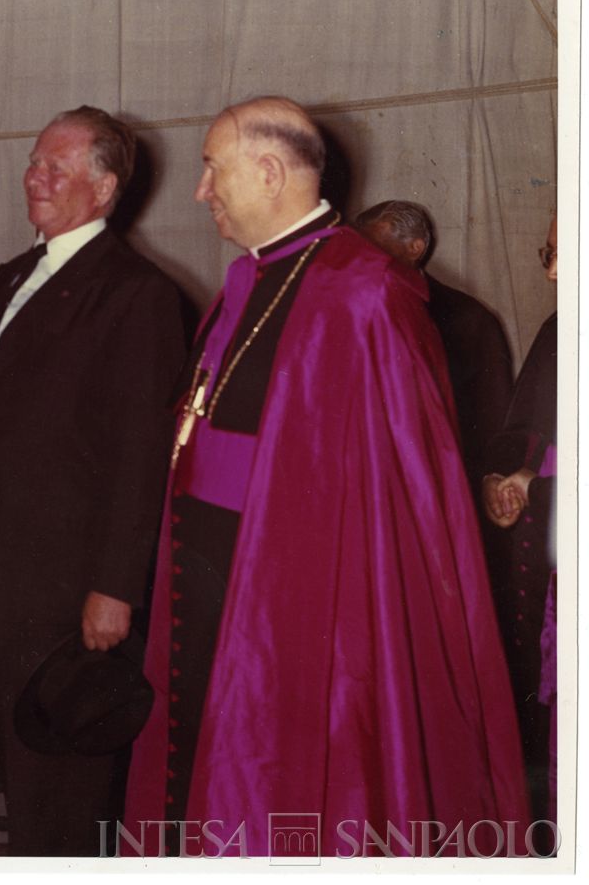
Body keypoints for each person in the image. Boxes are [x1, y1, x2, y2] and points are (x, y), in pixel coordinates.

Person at [123, 98, 529, 857]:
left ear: (269, 172)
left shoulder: (363, 289)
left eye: (213, 169)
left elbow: (402, 490)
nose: (200, 190)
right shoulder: (246, 279)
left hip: (309, 599)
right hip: (210, 570)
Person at [0, 106, 185, 856]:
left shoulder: (137, 294)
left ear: (104, 188)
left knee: (64, 784)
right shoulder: (18, 272)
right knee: (24, 768)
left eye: (56, 167)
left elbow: (143, 454)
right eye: (34, 162)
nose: (34, 177)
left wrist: (114, 585)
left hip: (65, 589)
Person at [482, 213, 558, 841]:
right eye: (548, 250)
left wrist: (543, 490)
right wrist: (498, 482)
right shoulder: (562, 329)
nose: (552, 271)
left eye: (568, 253)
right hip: (549, 571)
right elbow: (518, 434)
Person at [355, 199, 513, 481]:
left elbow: (493, 423)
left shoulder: (469, 319)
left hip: (446, 479)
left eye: (375, 250)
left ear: (415, 248)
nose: (364, 260)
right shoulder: (354, 311)